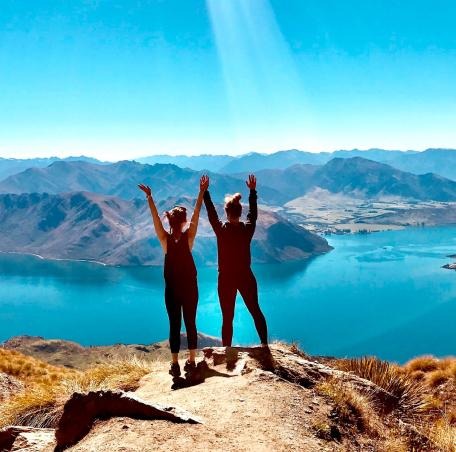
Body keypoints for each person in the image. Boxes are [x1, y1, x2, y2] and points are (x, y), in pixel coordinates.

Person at [138, 175, 209, 378]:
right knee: (191, 323)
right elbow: (197, 214)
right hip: (190, 289)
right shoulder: (189, 238)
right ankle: (192, 361)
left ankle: (175, 363)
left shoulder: (165, 240)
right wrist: (201, 192)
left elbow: (154, 220)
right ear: (184, 222)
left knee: (174, 325)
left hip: (172, 291)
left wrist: (150, 198)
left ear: (169, 221)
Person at [203, 174, 268, 347]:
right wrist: (252, 191)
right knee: (256, 311)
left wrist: (205, 192)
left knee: (227, 318)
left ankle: (227, 351)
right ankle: (264, 346)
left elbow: (211, 214)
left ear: (226, 212)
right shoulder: (247, 230)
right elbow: (253, 215)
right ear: (239, 212)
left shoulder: (221, 231)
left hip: (226, 279)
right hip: (246, 276)